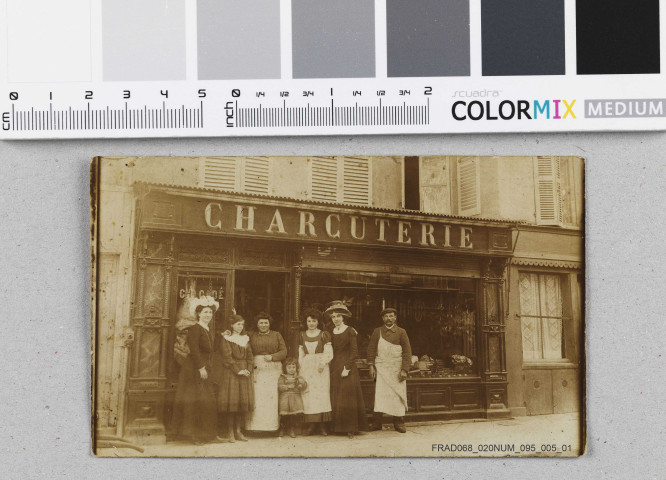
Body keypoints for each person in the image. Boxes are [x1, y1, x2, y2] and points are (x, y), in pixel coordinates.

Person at [171, 297, 221, 445]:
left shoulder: (208, 329)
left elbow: (212, 349)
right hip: (193, 369)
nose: (208, 315)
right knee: (194, 402)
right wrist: (200, 368)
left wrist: (221, 336)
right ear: (198, 314)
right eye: (205, 312)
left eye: (210, 313)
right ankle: (194, 436)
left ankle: (209, 434)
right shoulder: (194, 329)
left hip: (204, 368)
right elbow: (194, 350)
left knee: (207, 401)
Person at [326, 300, 368, 438]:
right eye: (333, 317)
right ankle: (336, 427)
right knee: (336, 395)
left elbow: (354, 352)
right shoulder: (330, 331)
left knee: (347, 397)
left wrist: (347, 368)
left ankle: (351, 428)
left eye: (338, 316)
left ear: (343, 317)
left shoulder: (350, 331)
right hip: (334, 365)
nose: (336, 319)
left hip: (347, 366)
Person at [367, 308, 413, 433]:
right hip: (381, 369)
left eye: (391, 316)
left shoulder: (401, 332)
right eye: (386, 316)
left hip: (396, 369)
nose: (388, 318)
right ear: (383, 318)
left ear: (395, 318)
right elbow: (371, 349)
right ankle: (377, 423)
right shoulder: (377, 332)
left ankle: (399, 422)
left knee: (397, 395)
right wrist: (371, 365)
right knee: (380, 395)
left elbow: (407, 352)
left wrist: (404, 370)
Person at [212, 314, 253, 442]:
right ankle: (230, 432)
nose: (240, 327)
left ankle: (238, 431)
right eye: (237, 324)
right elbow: (227, 358)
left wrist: (248, 370)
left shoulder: (245, 339)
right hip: (231, 373)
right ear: (232, 325)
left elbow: (250, 357)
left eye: (242, 324)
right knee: (232, 403)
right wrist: (238, 370)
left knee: (241, 403)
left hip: (244, 373)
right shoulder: (227, 339)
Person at [245, 312, 287, 433]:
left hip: (273, 369)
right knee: (258, 396)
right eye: (261, 323)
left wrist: (273, 356)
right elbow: (239, 336)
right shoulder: (251, 335)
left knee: (271, 397)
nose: (263, 325)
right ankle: (254, 428)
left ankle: (272, 427)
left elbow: (284, 351)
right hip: (257, 368)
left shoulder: (276, 335)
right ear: (257, 324)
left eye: (266, 323)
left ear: (269, 324)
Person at [297, 308, 333, 436]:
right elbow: (300, 353)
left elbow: (329, 352)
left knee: (321, 395)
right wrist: (301, 367)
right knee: (308, 395)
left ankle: (322, 425)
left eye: (314, 321)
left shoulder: (324, 334)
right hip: (307, 367)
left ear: (318, 322)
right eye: (309, 321)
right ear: (306, 322)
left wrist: (323, 363)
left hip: (320, 367)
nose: (311, 323)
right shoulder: (302, 335)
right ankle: (311, 425)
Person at [277, 357, 308, 438]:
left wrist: (301, 385)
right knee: (284, 415)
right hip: (285, 398)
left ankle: (292, 429)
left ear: (296, 368)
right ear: (285, 368)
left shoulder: (298, 377)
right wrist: (287, 386)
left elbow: (304, 384)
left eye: (294, 367)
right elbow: (280, 386)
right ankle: (282, 429)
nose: (292, 369)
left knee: (293, 415)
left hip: (295, 397)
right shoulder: (283, 377)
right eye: (289, 367)